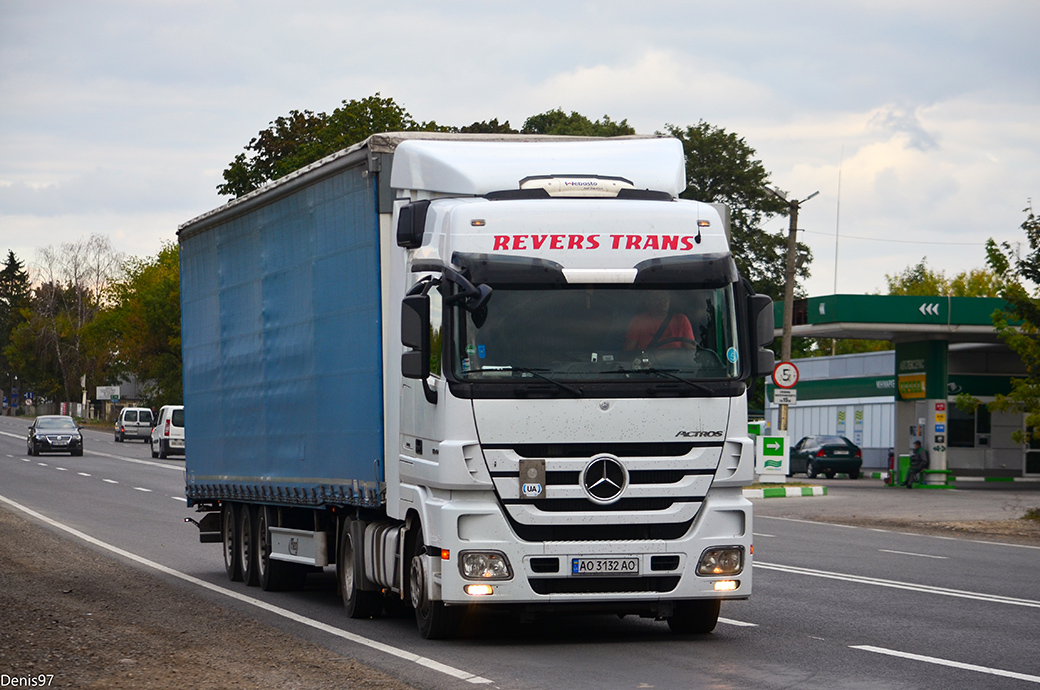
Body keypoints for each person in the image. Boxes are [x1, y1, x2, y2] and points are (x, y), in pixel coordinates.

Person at [623, 292, 695, 351]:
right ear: (648, 303)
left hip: (676, 365)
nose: (662, 302)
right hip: (647, 365)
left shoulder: (681, 320)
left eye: (665, 299)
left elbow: (691, 352)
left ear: (669, 302)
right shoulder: (639, 320)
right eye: (657, 300)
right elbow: (628, 351)